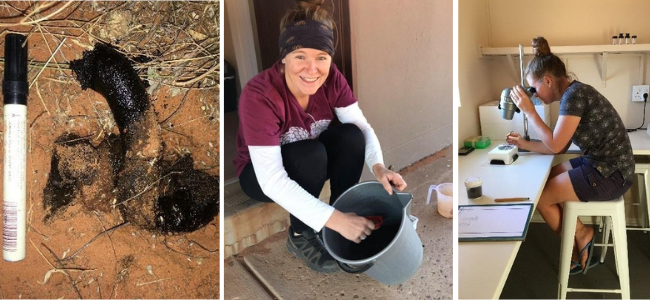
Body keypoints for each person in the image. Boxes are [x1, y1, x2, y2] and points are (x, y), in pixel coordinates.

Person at [234, 0, 407, 273]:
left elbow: (361, 127)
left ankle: (341, 215)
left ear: (329, 59)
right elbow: (271, 181)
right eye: (300, 56)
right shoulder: (259, 95)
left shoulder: (333, 79)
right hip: (259, 175)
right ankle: (301, 234)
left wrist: (378, 166)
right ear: (284, 57)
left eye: (321, 57)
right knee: (310, 153)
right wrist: (334, 219)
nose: (311, 69)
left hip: (311, 162)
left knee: (350, 135)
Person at [506, 36, 634, 274]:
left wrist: (530, 112)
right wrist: (525, 144)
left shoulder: (574, 96)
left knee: (541, 198)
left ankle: (581, 236)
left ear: (547, 80)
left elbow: (555, 146)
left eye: (534, 88)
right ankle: (578, 236)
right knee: (547, 180)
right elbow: (559, 145)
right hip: (600, 164)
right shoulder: (573, 93)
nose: (533, 95)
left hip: (611, 174)